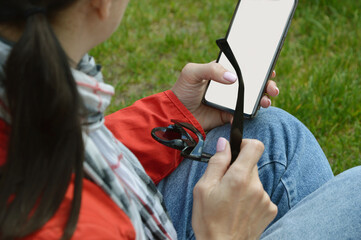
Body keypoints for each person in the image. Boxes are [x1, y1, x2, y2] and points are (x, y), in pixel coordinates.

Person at [0, 0, 360, 239]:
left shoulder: (26, 92)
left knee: (274, 134)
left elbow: (78, 147)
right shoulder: (70, 226)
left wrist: (175, 113)